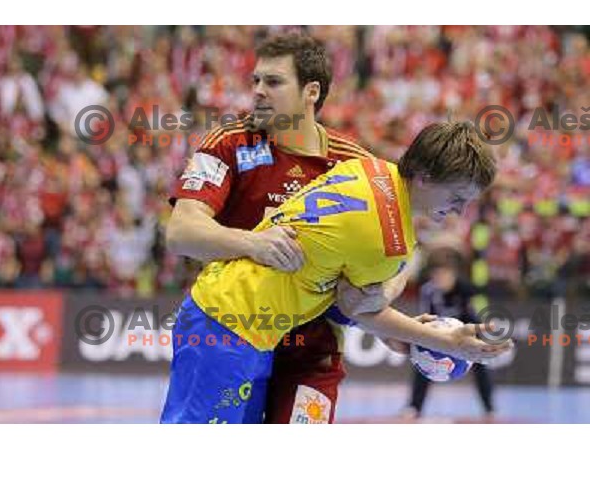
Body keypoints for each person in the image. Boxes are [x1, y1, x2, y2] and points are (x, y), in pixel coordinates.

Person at [160, 120, 512, 424]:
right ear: (425, 177)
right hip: (230, 325)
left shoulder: (368, 169)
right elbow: (359, 309)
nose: (460, 211)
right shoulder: (388, 241)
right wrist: (447, 341)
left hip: (228, 312)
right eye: (457, 197)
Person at [165, 33, 390, 424]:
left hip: (312, 350)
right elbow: (181, 231)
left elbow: (395, 254)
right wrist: (253, 243)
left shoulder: (355, 165)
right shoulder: (228, 142)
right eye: (256, 81)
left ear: (311, 91)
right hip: (234, 332)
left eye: (273, 82)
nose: (258, 91)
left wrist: (379, 302)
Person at [403, 252, 496, 420]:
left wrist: (477, 339)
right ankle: (414, 407)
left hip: (467, 331)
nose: (440, 279)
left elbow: (474, 316)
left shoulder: (465, 288)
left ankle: (489, 408)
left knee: (481, 364)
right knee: (422, 362)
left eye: (444, 275)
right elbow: (425, 318)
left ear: (453, 274)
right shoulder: (428, 291)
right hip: (439, 334)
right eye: (436, 275)